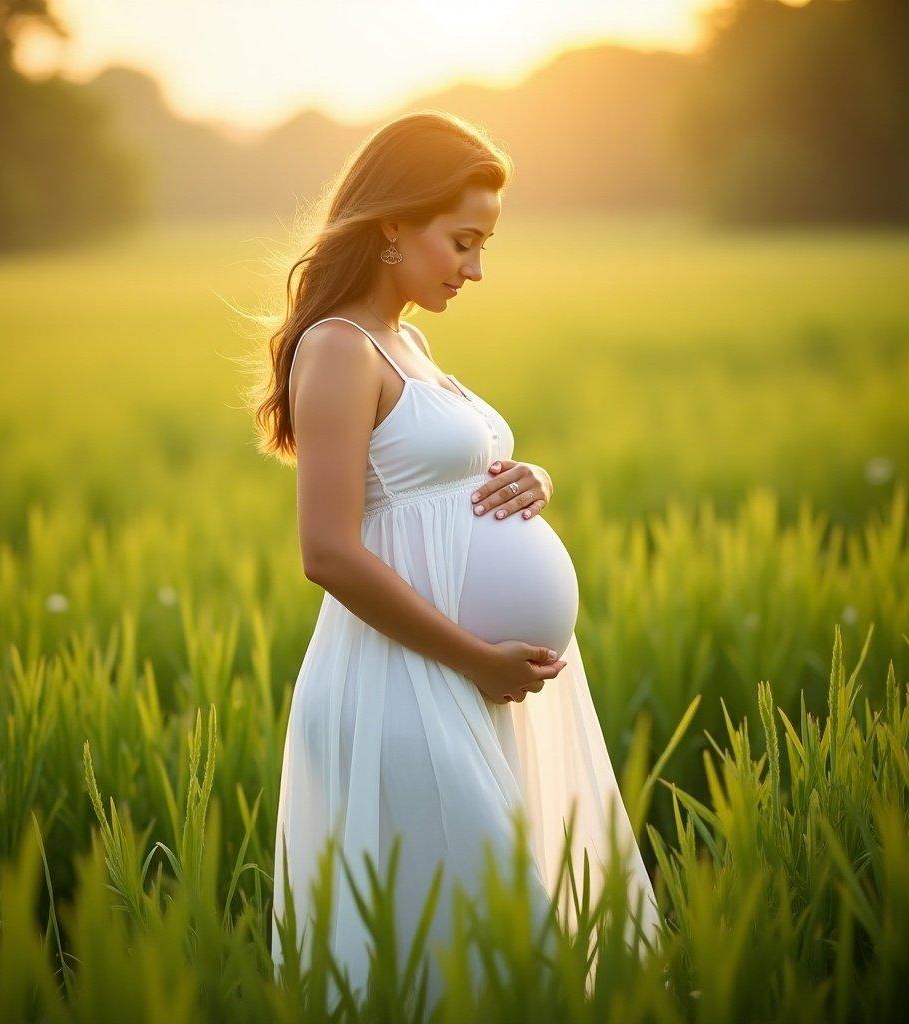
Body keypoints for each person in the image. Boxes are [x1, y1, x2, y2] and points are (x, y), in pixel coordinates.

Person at [249, 110, 659, 1006]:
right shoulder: (336, 349)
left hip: (463, 678)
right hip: (405, 681)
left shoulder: (410, 343)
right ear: (393, 221)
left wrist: (530, 478)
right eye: (462, 241)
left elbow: (439, 475)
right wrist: (474, 657)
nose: (475, 268)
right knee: (470, 952)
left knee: (496, 950)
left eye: (482, 246)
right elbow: (327, 551)